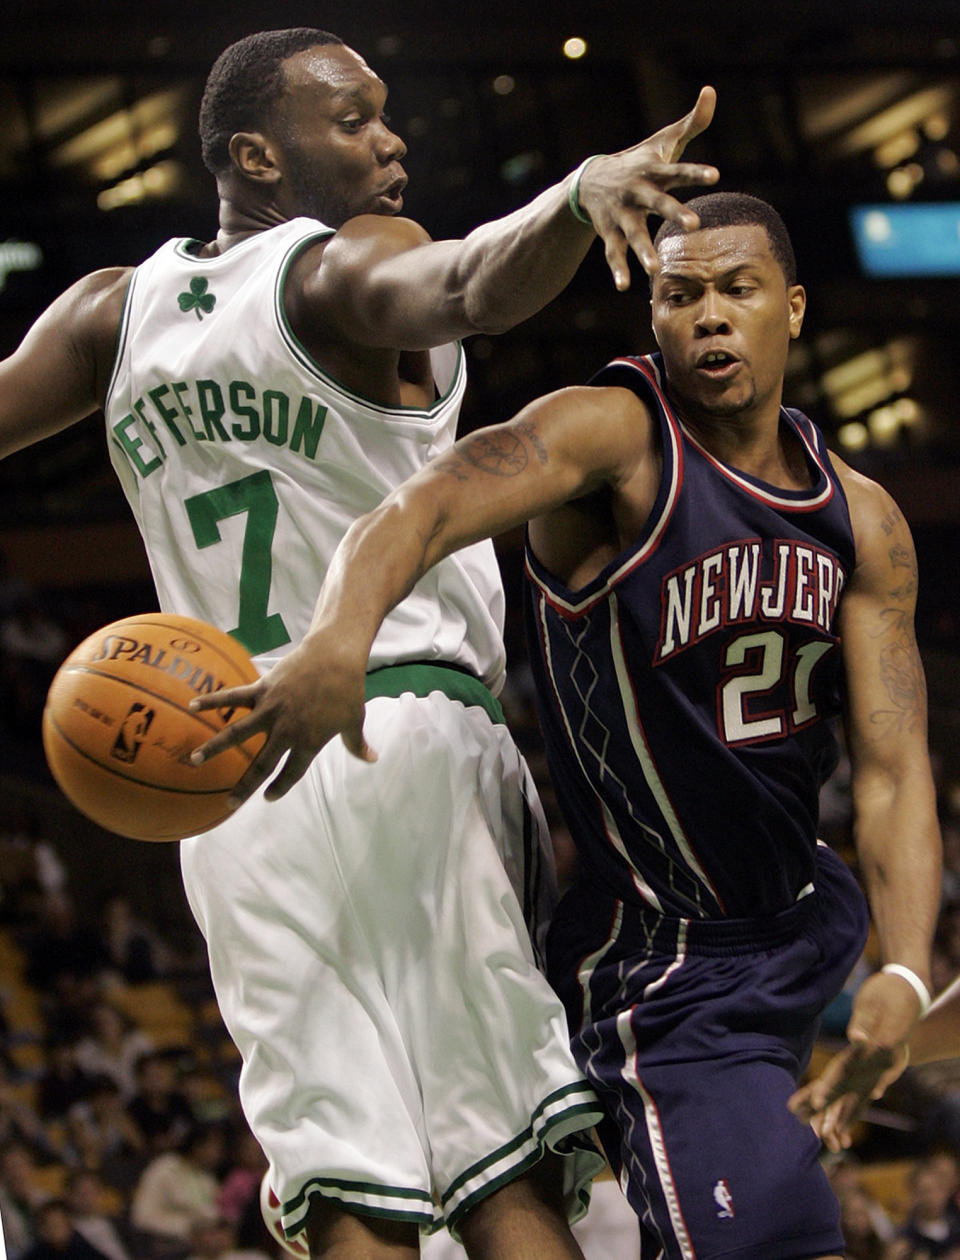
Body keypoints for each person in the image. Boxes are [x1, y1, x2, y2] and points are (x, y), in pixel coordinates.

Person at [0, 24, 720, 1260]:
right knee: (506, 1161)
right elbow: (468, 286)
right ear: (254, 157)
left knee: (346, 1180)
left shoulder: (106, 315)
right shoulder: (346, 266)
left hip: (218, 769)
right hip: (405, 732)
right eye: (352, 119)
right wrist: (573, 196)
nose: (392, 140)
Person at [193, 191, 943, 1260]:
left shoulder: (858, 515)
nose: (710, 317)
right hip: (668, 966)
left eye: (739, 290)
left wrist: (907, 969)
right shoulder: (613, 440)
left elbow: (894, 768)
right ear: (655, 319)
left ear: (796, 308)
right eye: (681, 295)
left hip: (804, 917)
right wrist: (336, 638)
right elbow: (420, 507)